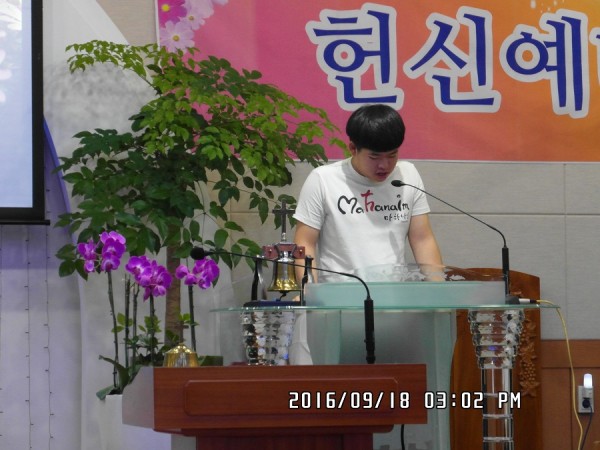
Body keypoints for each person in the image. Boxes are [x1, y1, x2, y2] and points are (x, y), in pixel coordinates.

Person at [293, 104, 442, 280]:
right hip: (340, 293)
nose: (384, 165)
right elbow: (305, 244)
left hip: (394, 292)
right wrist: (309, 291)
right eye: (374, 157)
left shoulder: (407, 176)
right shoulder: (323, 180)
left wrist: (438, 287)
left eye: (392, 155)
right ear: (353, 148)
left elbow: (422, 239)